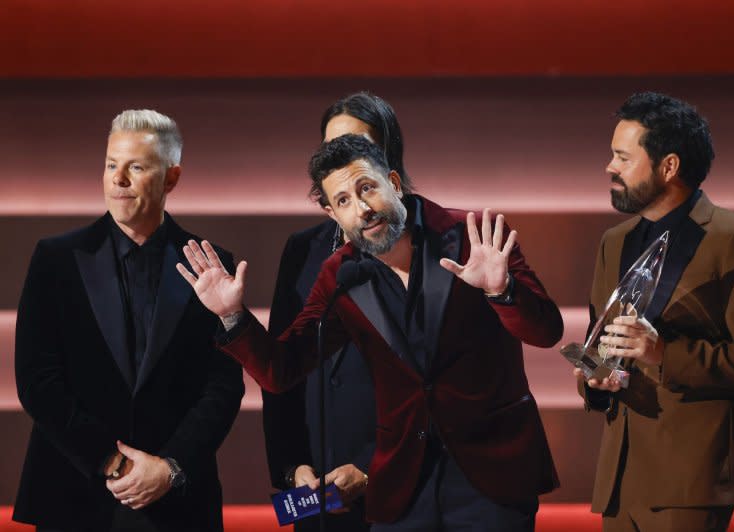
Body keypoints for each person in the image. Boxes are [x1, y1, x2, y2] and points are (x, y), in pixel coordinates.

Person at [178, 134, 564, 530]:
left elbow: (546, 330)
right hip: (403, 481)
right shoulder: (340, 274)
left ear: (393, 183)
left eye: (367, 188)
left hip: (492, 474)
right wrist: (232, 315)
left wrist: (501, 291)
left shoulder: (471, 235)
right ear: (332, 214)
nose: (362, 209)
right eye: (343, 201)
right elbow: (283, 368)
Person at [13, 110, 244, 531]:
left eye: (135, 167)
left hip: (178, 503)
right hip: (74, 497)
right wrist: (112, 462)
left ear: (171, 178)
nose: (117, 180)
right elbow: (36, 379)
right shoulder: (56, 260)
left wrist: (169, 468)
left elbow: (223, 385)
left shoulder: (210, 263)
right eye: (110, 165)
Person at [577, 92, 734, 531]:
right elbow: (603, 348)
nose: (609, 168)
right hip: (617, 481)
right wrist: (594, 380)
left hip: (689, 481)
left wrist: (662, 354)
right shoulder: (613, 240)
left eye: (622, 157)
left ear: (668, 166)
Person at [262, 92, 411, 531]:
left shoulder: (429, 244)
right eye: (331, 149)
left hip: (402, 485)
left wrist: (369, 467)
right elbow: (281, 370)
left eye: (358, 147)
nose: (342, 160)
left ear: (389, 163)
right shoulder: (302, 249)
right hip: (319, 489)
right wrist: (293, 470)